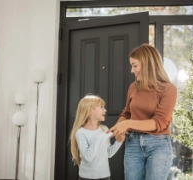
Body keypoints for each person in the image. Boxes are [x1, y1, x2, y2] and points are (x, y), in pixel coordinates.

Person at [107, 44, 178, 180]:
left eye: (135, 65)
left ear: (147, 64)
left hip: (159, 145)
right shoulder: (134, 87)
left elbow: (159, 122)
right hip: (133, 143)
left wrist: (127, 124)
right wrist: (119, 130)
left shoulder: (169, 89)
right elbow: (126, 113)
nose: (132, 70)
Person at [70, 94, 125, 180]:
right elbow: (88, 157)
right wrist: (101, 137)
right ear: (90, 111)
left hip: (105, 176)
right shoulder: (81, 133)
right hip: (86, 177)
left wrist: (119, 141)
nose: (105, 110)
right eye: (101, 107)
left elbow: (109, 153)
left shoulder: (104, 129)